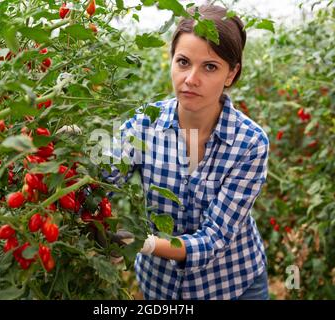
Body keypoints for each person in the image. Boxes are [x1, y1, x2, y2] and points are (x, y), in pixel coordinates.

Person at [103, 4, 270, 300]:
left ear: (231, 74)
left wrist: (146, 243)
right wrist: (71, 155)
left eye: (210, 67)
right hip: (160, 286)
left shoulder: (250, 143)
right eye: (183, 62)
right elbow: (103, 183)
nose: (191, 78)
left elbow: (215, 238)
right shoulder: (144, 124)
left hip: (231, 285)